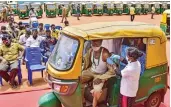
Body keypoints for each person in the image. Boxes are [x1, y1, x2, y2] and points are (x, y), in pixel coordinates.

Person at [81, 40, 115, 107]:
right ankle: (83, 102)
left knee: (97, 91)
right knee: (77, 79)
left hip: (100, 75)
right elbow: (85, 60)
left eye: (97, 41)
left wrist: (101, 78)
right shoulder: (90, 50)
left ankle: (94, 105)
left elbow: (112, 70)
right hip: (90, 71)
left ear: (101, 42)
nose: (94, 42)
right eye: (93, 41)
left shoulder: (105, 53)